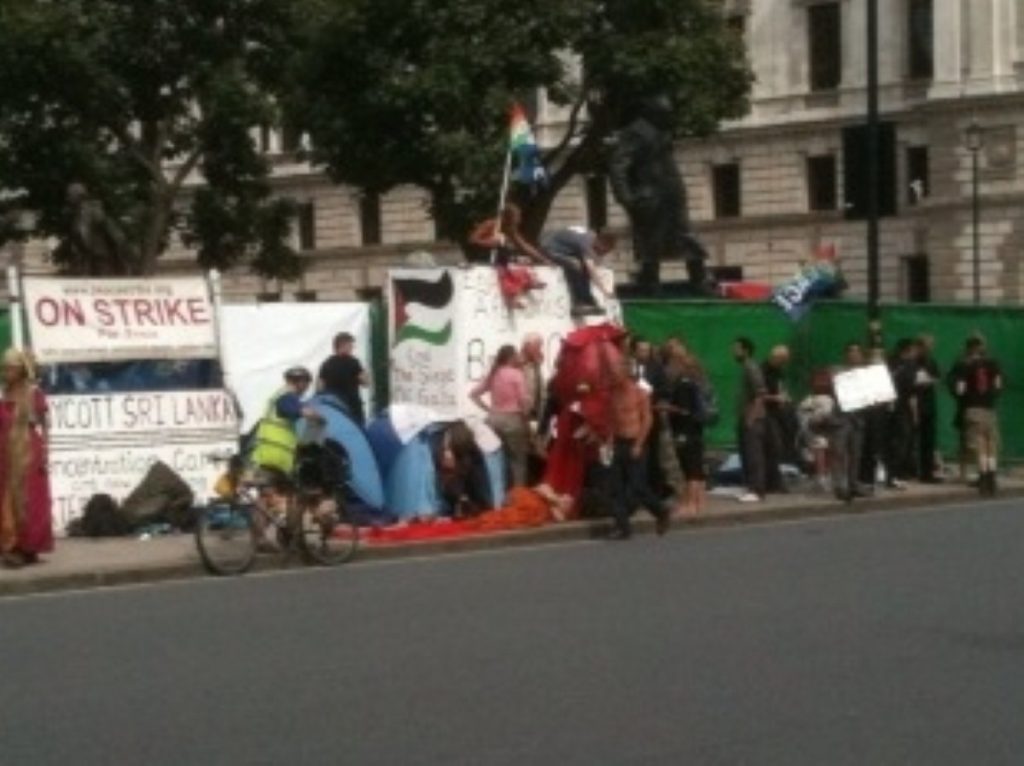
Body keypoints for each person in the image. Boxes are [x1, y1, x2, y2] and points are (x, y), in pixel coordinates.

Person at [0, 349, 54, 568]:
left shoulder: (33, 393)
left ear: (21, 370)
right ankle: (13, 545)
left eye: (10, 368)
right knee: (8, 498)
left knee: (31, 499)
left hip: (28, 449)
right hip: (6, 449)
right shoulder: (4, 392)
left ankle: (28, 547)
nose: (6, 372)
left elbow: (44, 422)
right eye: (4, 368)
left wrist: (46, 449)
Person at [607, 359, 671, 539]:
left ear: (626, 372)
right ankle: (623, 527)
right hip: (619, 442)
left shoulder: (639, 393)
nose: (614, 376)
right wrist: (610, 441)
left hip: (636, 441)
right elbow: (612, 419)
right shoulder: (613, 394)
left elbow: (648, 420)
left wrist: (638, 444)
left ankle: (660, 511)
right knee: (617, 488)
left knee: (637, 487)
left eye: (617, 372)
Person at [470, 345, 532, 488]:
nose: (518, 357)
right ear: (510, 357)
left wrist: (487, 408)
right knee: (518, 461)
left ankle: (498, 494)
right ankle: (518, 496)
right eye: (516, 354)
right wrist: (526, 416)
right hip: (513, 420)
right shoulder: (517, 374)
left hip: (493, 419)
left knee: (498, 460)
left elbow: (473, 394)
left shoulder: (493, 373)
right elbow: (523, 400)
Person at [467, 204, 549, 308]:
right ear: (507, 217)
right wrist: (487, 242)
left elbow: (524, 246)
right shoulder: (491, 224)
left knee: (521, 265)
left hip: (504, 259)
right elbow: (472, 240)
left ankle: (528, 283)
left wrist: (543, 260)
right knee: (506, 273)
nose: (519, 220)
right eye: (516, 217)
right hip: (486, 257)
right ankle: (511, 299)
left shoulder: (510, 229)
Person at [952, 337, 1003, 495]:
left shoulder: (964, 366)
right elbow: (998, 385)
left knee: (979, 442)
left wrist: (965, 397)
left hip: (972, 407)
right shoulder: (993, 364)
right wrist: (991, 395)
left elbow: (960, 390)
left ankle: (983, 475)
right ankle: (992, 474)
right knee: (991, 442)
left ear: (969, 348)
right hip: (989, 407)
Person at [661, 348, 709, 516]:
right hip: (695, 431)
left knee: (689, 471)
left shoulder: (682, 386)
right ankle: (699, 503)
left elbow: (683, 411)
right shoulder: (695, 384)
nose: (670, 369)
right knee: (697, 469)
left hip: (684, 432)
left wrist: (667, 408)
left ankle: (690, 504)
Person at [540, 226, 616, 315]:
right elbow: (591, 271)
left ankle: (588, 301)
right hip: (550, 249)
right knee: (575, 264)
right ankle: (578, 303)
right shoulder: (586, 243)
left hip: (565, 250)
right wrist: (604, 291)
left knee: (583, 265)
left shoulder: (592, 237)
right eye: (603, 251)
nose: (600, 254)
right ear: (600, 242)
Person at [830, 343, 869, 502]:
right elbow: (838, 390)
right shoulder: (838, 371)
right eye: (851, 353)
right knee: (839, 453)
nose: (855, 356)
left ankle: (853, 485)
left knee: (856, 454)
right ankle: (839, 486)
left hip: (858, 419)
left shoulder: (867, 374)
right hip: (841, 418)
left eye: (857, 353)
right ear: (846, 355)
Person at [733, 337, 768, 503]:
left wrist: (752, 417)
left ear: (746, 350)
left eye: (737, 348)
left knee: (754, 454)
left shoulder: (751, 367)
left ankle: (757, 490)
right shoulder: (745, 367)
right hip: (746, 417)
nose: (734, 351)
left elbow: (760, 393)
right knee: (747, 453)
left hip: (752, 418)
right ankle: (751, 487)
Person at [761, 345, 794, 492]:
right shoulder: (763, 371)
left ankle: (774, 480)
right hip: (765, 412)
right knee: (773, 445)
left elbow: (781, 387)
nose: (784, 363)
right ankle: (772, 482)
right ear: (777, 357)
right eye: (783, 360)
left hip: (776, 412)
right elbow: (759, 395)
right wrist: (776, 398)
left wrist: (784, 396)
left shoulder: (779, 371)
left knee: (776, 446)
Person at [318, 332, 368, 426]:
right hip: (352, 408)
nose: (352, 348)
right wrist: (366, 374)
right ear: (343, 345)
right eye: (350, 345)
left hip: (334, 409)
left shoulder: (326, 364)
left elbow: (320, 388)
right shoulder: (353, 362)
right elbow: (365, 383)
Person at [914, 335, 941, 482]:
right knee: (914, 440)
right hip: (916, 404)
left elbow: (937, 379)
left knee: (929, 440)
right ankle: (913, 470)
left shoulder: (932, 362)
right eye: (926, 345)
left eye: (931, 346)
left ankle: (927, 472)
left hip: (929, 405)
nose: (929, 348)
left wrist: (930, 381)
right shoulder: (914, 362)